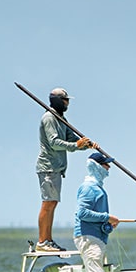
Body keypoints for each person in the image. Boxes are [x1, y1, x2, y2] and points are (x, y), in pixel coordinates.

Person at [36, 87, 94, 252]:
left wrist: (85, 144)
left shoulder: (61, 118)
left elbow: (72, 140)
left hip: (56, 168)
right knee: (48, 203)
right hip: (47, 167)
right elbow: (54, 142)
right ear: (57, 101)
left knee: (52, 203)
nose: (67, 103)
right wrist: (76, 145)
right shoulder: (49, 118)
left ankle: (48, 240)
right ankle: (42, 241)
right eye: (65, 100)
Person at [74, 151, 120, 272]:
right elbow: (82, 213)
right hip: (89, 238)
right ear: (96, 166)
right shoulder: (88, 187)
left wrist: (108, 225)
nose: (108, 168)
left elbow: (96, 219)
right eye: (105, 164)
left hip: (95, 237)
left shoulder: (98, 188)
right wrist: (107, 217)